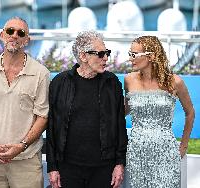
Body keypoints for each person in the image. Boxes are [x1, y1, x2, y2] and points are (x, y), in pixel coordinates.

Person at [0, 16, 50, 188]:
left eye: (20, 33)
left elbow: (42, 117)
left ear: (27, 40)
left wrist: (21, 146)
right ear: (2, 35)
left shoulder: (40, 73)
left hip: (27, 161)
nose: (14, 35)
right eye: (10, 31)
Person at [46, 30, 128, 188]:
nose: (105, 58)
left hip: (104, 168)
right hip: (67, 168)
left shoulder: (112, 83)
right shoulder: (60, 82)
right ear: (83, 56)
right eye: (100, 54)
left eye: (107, 53)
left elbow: (119, 126)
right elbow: (52, 128)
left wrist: (119, 163)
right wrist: (52, 167)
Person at [125, 35, 195, 187]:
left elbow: (190, 113)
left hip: (166, 152)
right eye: (130, 54)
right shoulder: (129, 80)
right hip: (136, 152)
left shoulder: (175, 82)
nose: (130, 58)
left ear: (151, 56)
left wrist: (183, 145)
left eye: (133, 54)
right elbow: (124, 111)